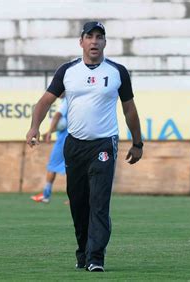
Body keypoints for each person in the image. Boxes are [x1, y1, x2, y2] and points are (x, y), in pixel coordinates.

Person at [26, 21, 143, 272]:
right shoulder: (67, 71)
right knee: (78, 204)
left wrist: (137, 142)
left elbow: (129, 109)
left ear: (104, 43)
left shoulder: (117, 72)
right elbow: (45, 101)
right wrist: (35, 127)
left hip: (104, 143)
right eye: (89, 37)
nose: (94, 41)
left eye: (99, 37)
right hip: (74, 145)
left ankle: (96, 258)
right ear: (81, 42)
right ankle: (83, 252)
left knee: (99, 202)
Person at [30, 96, 68, 204]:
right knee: (73, 168)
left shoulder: (67, 101)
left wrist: (50, 131)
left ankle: (46, 195)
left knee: (52, 166)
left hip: (63, 140)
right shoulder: (74, 100)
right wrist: (50, 132)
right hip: (73, 139)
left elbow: (57, 116)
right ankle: (75, 197)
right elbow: (64, 124)